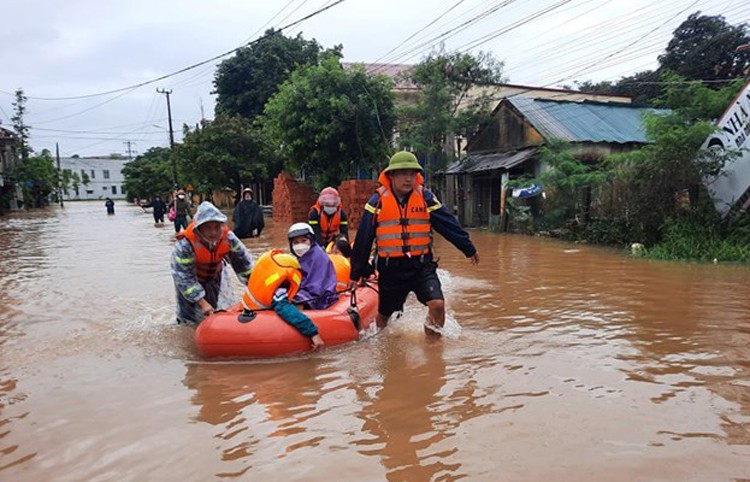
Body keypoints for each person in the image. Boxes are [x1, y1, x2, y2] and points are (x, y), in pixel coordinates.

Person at [348, 151, 480, 333]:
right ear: (391, 175)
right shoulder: (377, 201)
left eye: (412, 174)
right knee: (385, 316)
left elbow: (447, 224)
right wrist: (356, 272)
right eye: (403, 174)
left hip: (421, 266)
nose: (408, 179)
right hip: (390, 269)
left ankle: (433, 351)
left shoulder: (425, 197)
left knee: (438, 304)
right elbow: (364, 238)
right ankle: (381, 345)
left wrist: (468, 248)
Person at [171, 201, 254, 325]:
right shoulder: (185, 246)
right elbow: (183, 278)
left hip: (213, 278)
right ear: (199, 229)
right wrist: (202, 303)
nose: (213, 232)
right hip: (190, 284)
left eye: (216, 227)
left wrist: (256, 288)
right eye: (208, 228)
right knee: (189, 320)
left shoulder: (228, 238)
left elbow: (244, 265)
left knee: (212, 310)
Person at [241, 250, 324, 350]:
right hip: (255, 326)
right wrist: (313, 333)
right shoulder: (279, 287)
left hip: (245, 312)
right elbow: (286, 310)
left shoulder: (264, 277)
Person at [287, 222, 339, 310]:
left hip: (320, 296)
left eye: (304, 241)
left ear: (311, 240)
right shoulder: (300, 259)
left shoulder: (318, 256)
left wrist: (299, 296)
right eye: (296, 242)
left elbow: (317, 285)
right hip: (306, 292)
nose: (300, 246)